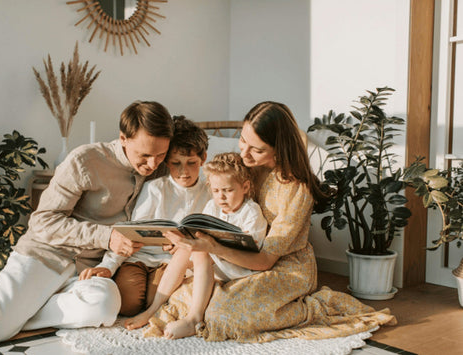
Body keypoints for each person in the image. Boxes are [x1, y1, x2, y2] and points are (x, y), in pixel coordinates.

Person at [144, 101, 395, 342]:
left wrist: (213, 248)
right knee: (183, 297)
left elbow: (265, 261)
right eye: (243, 140)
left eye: (257, 148)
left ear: (279, 148)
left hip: (283, 267)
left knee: (224, 316)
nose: (244, 152)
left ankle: (311, 307)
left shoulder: (296, 189)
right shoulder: (247, 167)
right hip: (237, 258)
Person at [0, 100, 174, 344]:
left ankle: (14, 318)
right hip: (45, 255)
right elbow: (43, 221)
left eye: (160, 155)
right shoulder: (85, 160)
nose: (152, 164)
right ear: (123, 138)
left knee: (105, 306)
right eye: (144, 155)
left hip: (85, 271)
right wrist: (106, 237)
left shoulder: (160, 169)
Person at [79, 116, 211, 318]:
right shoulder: (155, 189)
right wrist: (108, 266)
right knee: (127, 305)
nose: (183, 172)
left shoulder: (210, 192)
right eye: (176, 163)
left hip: (173, 261)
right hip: (138, 258)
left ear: (203, 158)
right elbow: (132, 231)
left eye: (191, 163)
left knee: (154, 301)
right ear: (166, 161)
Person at [126, 152, 267, 338]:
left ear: (245, 187)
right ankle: (152, 309)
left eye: (228, 190)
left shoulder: (251, 211)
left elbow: (253, 249)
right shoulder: (212, 206)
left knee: (200, 252)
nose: (221, 197)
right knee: (186, 250)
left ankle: (194, 318)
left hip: (238, 267)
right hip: (218, 263)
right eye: (216, 191)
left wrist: (210, 246)